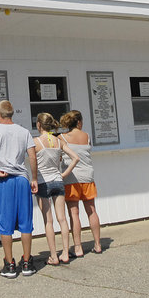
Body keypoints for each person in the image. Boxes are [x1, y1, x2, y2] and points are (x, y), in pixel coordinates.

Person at [0, 100, 38, 278]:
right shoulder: (24, 131)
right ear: (12, 114)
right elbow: (32, 155)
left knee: (5, 223)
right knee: (25, 222)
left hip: (4, 178)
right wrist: (34, 178)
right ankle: (28, 261)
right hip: (22, 178)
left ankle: (10, 263)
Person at [33, 112, 79, 265]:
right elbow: (75, 158)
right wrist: (64, 174)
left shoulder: (36, 142)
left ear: (39, 125)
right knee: (63, 219)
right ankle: (65, 253)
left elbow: (32, 161)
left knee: (49, 221)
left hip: (42, 183)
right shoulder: (58, 141)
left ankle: (53, 255)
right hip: (58, 181)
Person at [59, 110, 102, 256]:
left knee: (74, 213)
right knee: (91, 211)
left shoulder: (62, 137)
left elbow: (59, 157)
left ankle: (78, 248)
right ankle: (97, 244)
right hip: (88, 176)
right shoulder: (87, 136)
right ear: (79, 122)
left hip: (71, 178)